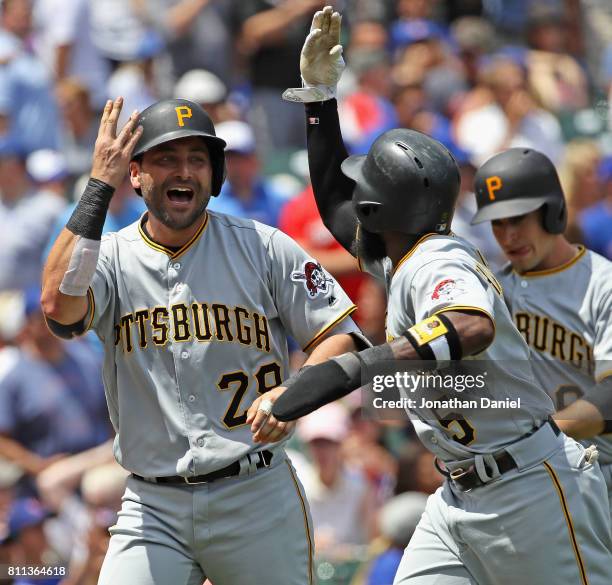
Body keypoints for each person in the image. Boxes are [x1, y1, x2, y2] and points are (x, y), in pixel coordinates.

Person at [272, 7, 612, 584]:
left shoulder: (437, 261)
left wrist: (360, 367)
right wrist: (319, 101)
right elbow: (335, 204)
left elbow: (469, 325)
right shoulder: (406, 255)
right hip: (458, 496)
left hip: (530, 489)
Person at [40, 95, 366, 585]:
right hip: (153, 504)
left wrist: (291, 394)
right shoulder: (109, 257)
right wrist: (97, 189)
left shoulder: (263, 245)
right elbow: (57, 306)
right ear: (135, 174)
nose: (184, 171)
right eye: (166, 158)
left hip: (254, 492)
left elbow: (341, 338)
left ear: (215, 175)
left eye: (197, 159)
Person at [471, 147, 612, 513]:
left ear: (552, 212)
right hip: (526, 481)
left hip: (599, 474)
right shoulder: (491, 294)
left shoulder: (602, 284)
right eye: (497, 223)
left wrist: (531, 440)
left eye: (518, 218)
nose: (508, 235)